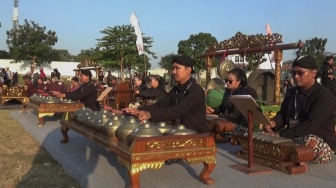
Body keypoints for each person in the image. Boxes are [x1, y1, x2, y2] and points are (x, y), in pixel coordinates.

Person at [264, 56, 335, 164]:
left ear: (313, 73)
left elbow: (311, 125)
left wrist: (281, 135)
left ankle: (285, 152)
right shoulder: (292, 92)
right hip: (292, 137)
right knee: (261, 135)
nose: (296, 76)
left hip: (320, 141)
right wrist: (273, 123)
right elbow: (283, 115)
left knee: (309, 140)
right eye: (293, 73)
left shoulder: (324, 96)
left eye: (300, 73)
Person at [124, 54, 208, 133]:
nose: (174, 72)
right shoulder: (176, 89)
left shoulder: (195, 90)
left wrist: (150, 114)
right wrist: (138, 110)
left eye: (177, 68)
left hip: (197, 135)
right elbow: (159, 105)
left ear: (188, 70)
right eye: (173, 68)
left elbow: (178, 110)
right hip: (179, 133)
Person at [206, 68, 258, 141]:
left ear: (238, 81)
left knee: (215, 134)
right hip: (227, 122)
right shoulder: (227, 91)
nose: (227, 83)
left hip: (239, 125)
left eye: (230, 81)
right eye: (226, 80)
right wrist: (213, 110)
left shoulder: (244, 93)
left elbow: (236, 115)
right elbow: (222, 108)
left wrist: (219, 116)